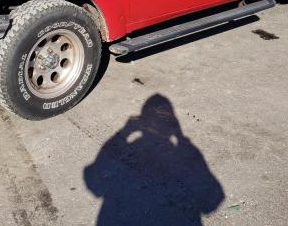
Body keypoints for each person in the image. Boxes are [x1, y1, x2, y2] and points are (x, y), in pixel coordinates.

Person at [84, 94, 224, 225]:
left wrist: (125, 132)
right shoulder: (184, 153)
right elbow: (212, 200)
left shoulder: (134, 148)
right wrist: (182, 140)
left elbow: (94, 180)